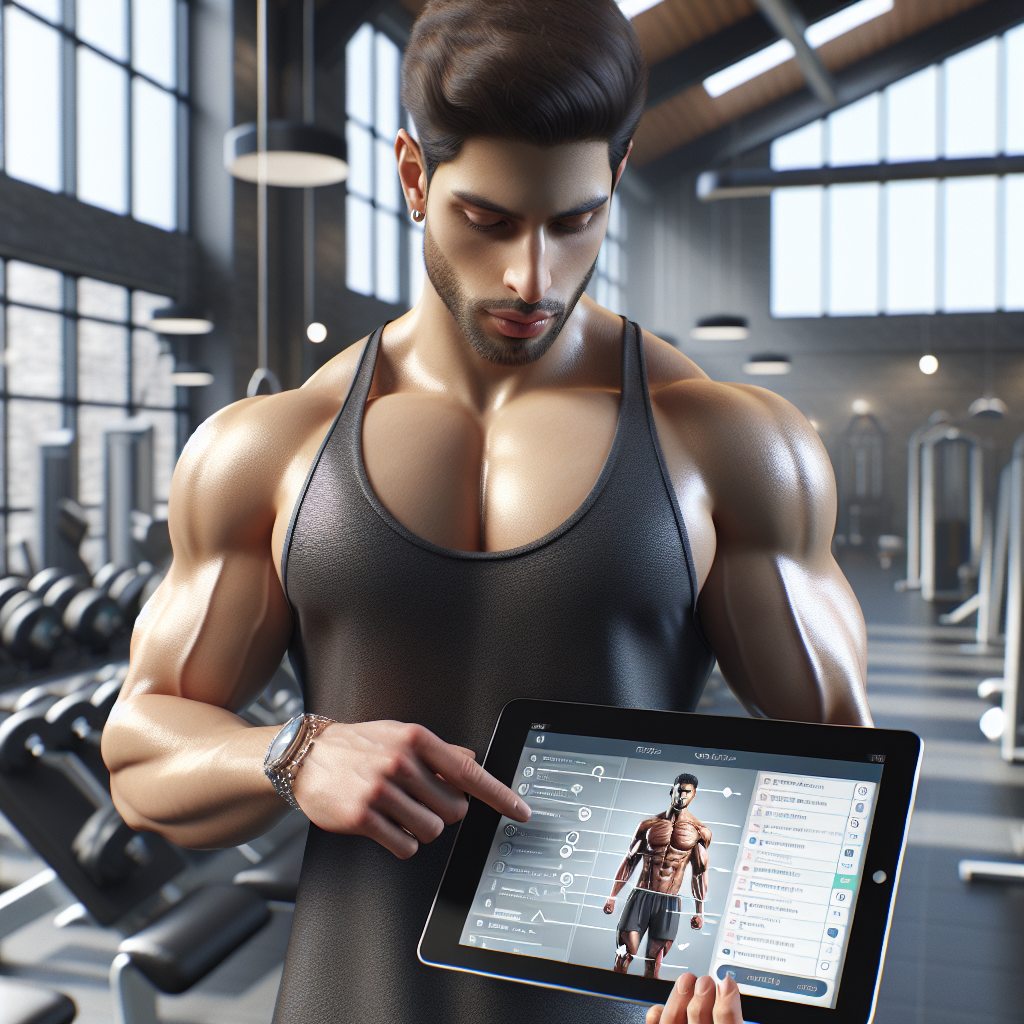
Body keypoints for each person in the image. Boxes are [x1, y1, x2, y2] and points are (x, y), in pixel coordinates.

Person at [102, 1, 871, 1020]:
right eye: (489, 219)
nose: (530, 277)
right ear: (415, 176)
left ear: (617, 178)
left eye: (573, 221)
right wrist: (291, 752)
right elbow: (140, 750)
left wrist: (747, 978)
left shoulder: (732, 443)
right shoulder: (269, 446)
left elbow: (844, 772)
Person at [604, 773, 710, 979]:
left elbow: (699, 873)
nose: (681, 796)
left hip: (668, 902)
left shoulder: (700, 832)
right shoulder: (648, 826)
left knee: (654, 965)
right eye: (679, 791)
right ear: (672, 791)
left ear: (694, 795)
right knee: (624, 954)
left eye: (687, 792)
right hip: (641, 896)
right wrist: (612, 895)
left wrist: (700, 911)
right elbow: (629, 861)